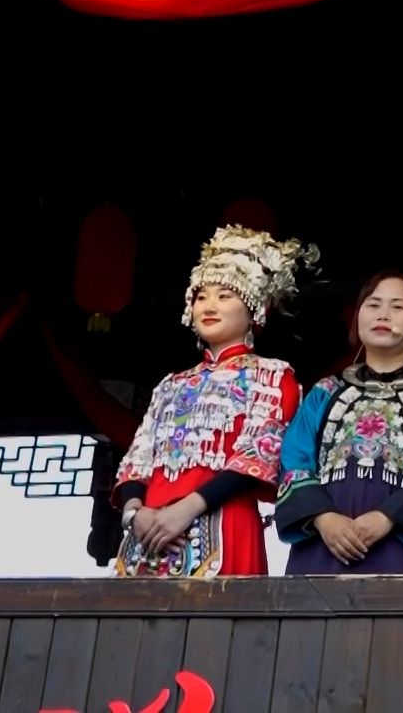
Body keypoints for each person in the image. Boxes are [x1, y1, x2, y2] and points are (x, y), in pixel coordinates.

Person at [113, 225, 318, 577]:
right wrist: (134, 512)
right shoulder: (171, 384)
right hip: (147, 530)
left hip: (224, 523)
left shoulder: (272, 376)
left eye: (225, 296)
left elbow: (257, 457)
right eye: (201, 297)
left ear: (254, 309)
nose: (209, 306)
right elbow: (137, 459)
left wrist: (186, 509)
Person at [276, 271, 403, 573]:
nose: (383, 314)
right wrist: (324, 519)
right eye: (373, 305)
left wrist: (387, 517)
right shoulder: (324, 392)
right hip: (321, 548)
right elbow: (293, 459)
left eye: (398, 306)